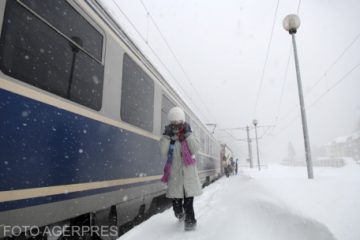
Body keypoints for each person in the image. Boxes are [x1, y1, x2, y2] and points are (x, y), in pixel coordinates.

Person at [160, 106, 202, 231]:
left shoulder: (189, 135)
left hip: (188, 177)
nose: (176, 125)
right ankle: (180, 215)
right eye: (173, 123)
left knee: (188, 204)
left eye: (178, 122)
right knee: (177, 207)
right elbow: (163, 151)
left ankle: (190, 224)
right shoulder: (168, 137)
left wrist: (188, 135)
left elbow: (195, 149)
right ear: (170, 122)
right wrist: (166, 137)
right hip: (175, 178)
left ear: (183, 121)